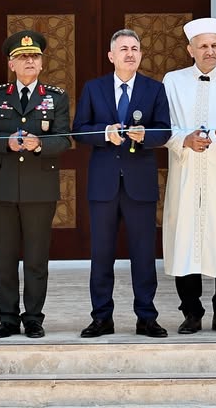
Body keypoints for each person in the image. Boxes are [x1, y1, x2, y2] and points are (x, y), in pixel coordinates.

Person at [73, 28, 172, 338]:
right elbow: (79, 130)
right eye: (124, 49)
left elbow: (164, 131)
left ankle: (146, 316)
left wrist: (146, 137)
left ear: (141, 54)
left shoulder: (154, 90)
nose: (130, 53)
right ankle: (101, 317)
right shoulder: (94, 88)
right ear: (111, 56)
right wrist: (105, 132)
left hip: (139, 185)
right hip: (103, 185)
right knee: (101, 254)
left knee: (143, 254)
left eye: (135, 48)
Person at [0, 29, 71, 339]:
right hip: (2, 188)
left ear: (42, 63)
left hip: (39, 188)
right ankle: (7, 319)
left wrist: (38, 144)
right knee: (4, 258)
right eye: (22, 57)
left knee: (36, 257)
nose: (30, 61)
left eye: (35, 56)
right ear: (11, 64)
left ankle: (33, 318)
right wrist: (9, 143)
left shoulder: (56, 97)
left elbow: (65, 139)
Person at [162, 18, 216, 334]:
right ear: (190, 49)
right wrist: (184, 139)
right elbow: (166, 125)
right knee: (186, 242)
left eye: (214, 46)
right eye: (203, 46)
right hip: (186, 174)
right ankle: (191, 313)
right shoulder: (172, 82)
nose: (209, 51)